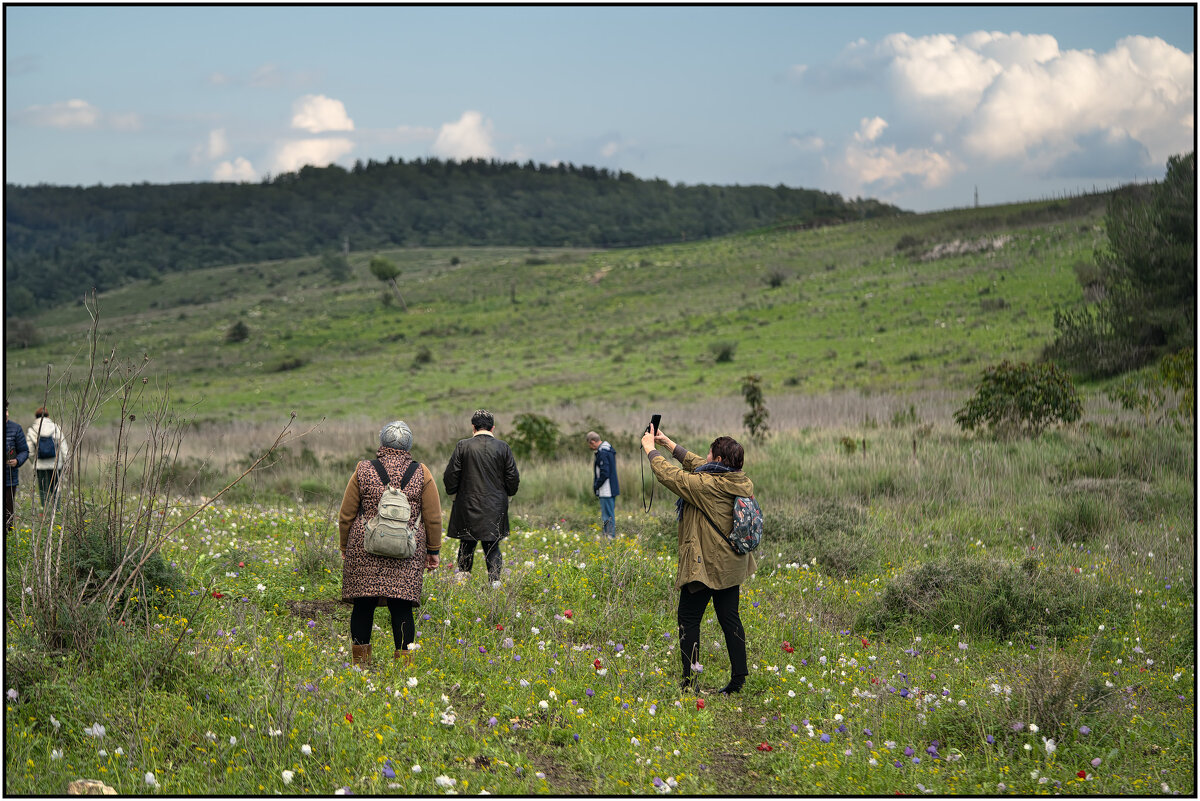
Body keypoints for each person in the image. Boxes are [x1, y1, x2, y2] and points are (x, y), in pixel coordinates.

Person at [640, 426, 756, 694]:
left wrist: (650, 449)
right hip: (731, 564)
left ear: (718, 461)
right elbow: (698, 464)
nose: (705, 457)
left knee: (688, 618)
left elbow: (672, 477)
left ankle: (689, 683)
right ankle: (738, 679)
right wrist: (668, 443)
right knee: (730, 620)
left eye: (710, 454)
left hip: (707, 564)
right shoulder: (735, 479)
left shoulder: (707, 486)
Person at [338, 420, 443, 668]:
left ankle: (360, 666)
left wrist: (345, 546)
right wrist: (433, 551)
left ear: (381, 442)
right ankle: (405, 670)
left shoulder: (363, 470)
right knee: (402, 607)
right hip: (406, 550)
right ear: (409, 445)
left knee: (363, 605)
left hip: (365, 547)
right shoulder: (422, 472)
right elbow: (433, 518)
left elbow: (346, 515)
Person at [444, 409, 520, 585]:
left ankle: (463, 583)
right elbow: (513, 478)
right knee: (492, 547)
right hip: (495, 505)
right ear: (493, 428)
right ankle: (494, 584)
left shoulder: (462, 446)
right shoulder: (503, 447)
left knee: (466, 545)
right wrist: (507, 493)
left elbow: (451, 475)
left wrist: (453, 492)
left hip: (467, 504)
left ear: (473, 427)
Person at [26, 407, 69, 512]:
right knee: (55, 488)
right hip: (55, 464)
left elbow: (30, 451)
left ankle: (44, 511)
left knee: (42, 489)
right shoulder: (56, 427)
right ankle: (57, 511)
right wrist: (65, 462)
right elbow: (63, 447)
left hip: (40, 465)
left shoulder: (32, 430)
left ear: (36, 417)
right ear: (48, 416)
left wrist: (34, 462)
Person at [586, 431, 620, 537]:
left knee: (607, 516)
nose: (590, 447)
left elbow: (604, 472)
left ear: (592, 442)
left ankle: (610, 538)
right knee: (609, 514)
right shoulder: (607, 450)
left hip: (606, 489)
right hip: (610, 488)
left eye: (589, 444)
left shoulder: (603, 452)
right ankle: (608, 536)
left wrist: (596, 485)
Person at [5, 401, 29, 535]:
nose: (6, 413)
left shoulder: (16, 428)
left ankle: (8, 539)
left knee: (9, 511)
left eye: (7, 410)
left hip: (10, 479)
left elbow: (24, 451)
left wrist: (17, 461)